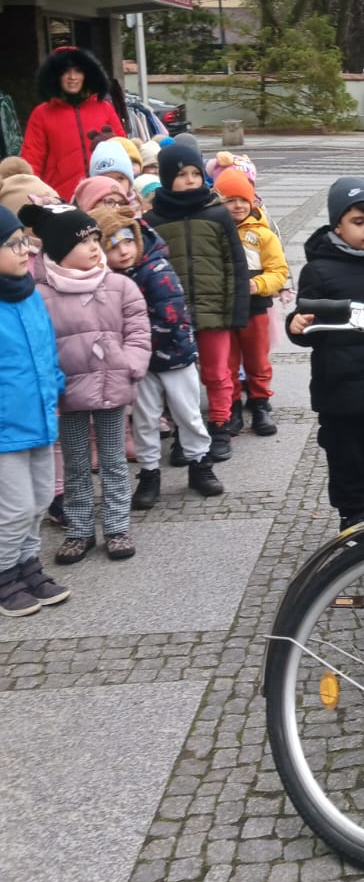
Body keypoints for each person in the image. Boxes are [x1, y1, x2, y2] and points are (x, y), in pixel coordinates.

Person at [23, 202, 152, 564]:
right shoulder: (40, 294)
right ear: (61, 251)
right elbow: (38, 341)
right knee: (76, 463)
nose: (96, 247)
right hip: (68, 393)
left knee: (112, 460)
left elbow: (138, 331)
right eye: (85, 242)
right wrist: (50, 383)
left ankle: (116, 526)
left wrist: (130, 364)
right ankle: (79, 529)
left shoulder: (119, 286)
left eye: (97, 238)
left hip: (112, 387)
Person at [288, 178, 364, 528]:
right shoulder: (319, 270)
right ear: (337, 224)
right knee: (346, 458)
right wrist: (296, 324)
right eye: (359, 222)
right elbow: (306, 325)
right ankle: (352, 518)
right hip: (339, 389)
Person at [93, 206, 224, 507]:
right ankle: (150, 472)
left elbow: (171, 313)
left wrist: (134, 345)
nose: (123, 252)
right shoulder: (108, 279)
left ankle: (200, 463)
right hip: (138, 363)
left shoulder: (156, 270)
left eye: (128, 242)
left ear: (138, 239)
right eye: (112, 247)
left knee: (187, 412)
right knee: (144, 418)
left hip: (173, 353)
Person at [145, 140, 250, 461]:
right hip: (173, 314)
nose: (190, 180)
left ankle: (219, 427)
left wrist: (237, 308)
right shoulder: (154, 220)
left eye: (195, 173)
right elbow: (149, 268)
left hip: (214, 309)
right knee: (179, 380)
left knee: (218, 372)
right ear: (165, 178)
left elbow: (235, 263)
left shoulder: (217, 214)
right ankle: (185, 433)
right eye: (181, 174)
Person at [0, 207, 70, 616]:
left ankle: (27, 565)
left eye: (24, 240)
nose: (24, 250)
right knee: (14, 507)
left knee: (41, 498)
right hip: (6, 428)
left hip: (41, 419)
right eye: (12, 245)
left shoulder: (28, 294)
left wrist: (55, 388)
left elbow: (46, 351)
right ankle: (5, 573)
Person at [214, 166, 288, 436]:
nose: (237, 206)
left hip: (255, 308)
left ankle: (260, 404)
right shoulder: (215, 231)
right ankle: (232, 406)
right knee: (228, 362)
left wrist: (258, 285)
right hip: (223, 308)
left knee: (257, 360)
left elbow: (279, 272)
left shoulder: (262, 235)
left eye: (242, 199)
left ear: (252, 200)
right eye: (230, 200)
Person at [21, 46, 126, 202]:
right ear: (55, 76)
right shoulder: (41, 114)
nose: (72, 77)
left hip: (105, 196)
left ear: (87, 75)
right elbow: (32, 160)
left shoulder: (104, 108)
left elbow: (123, 150)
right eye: (66, 71)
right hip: (60, 198)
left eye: (78, 71)